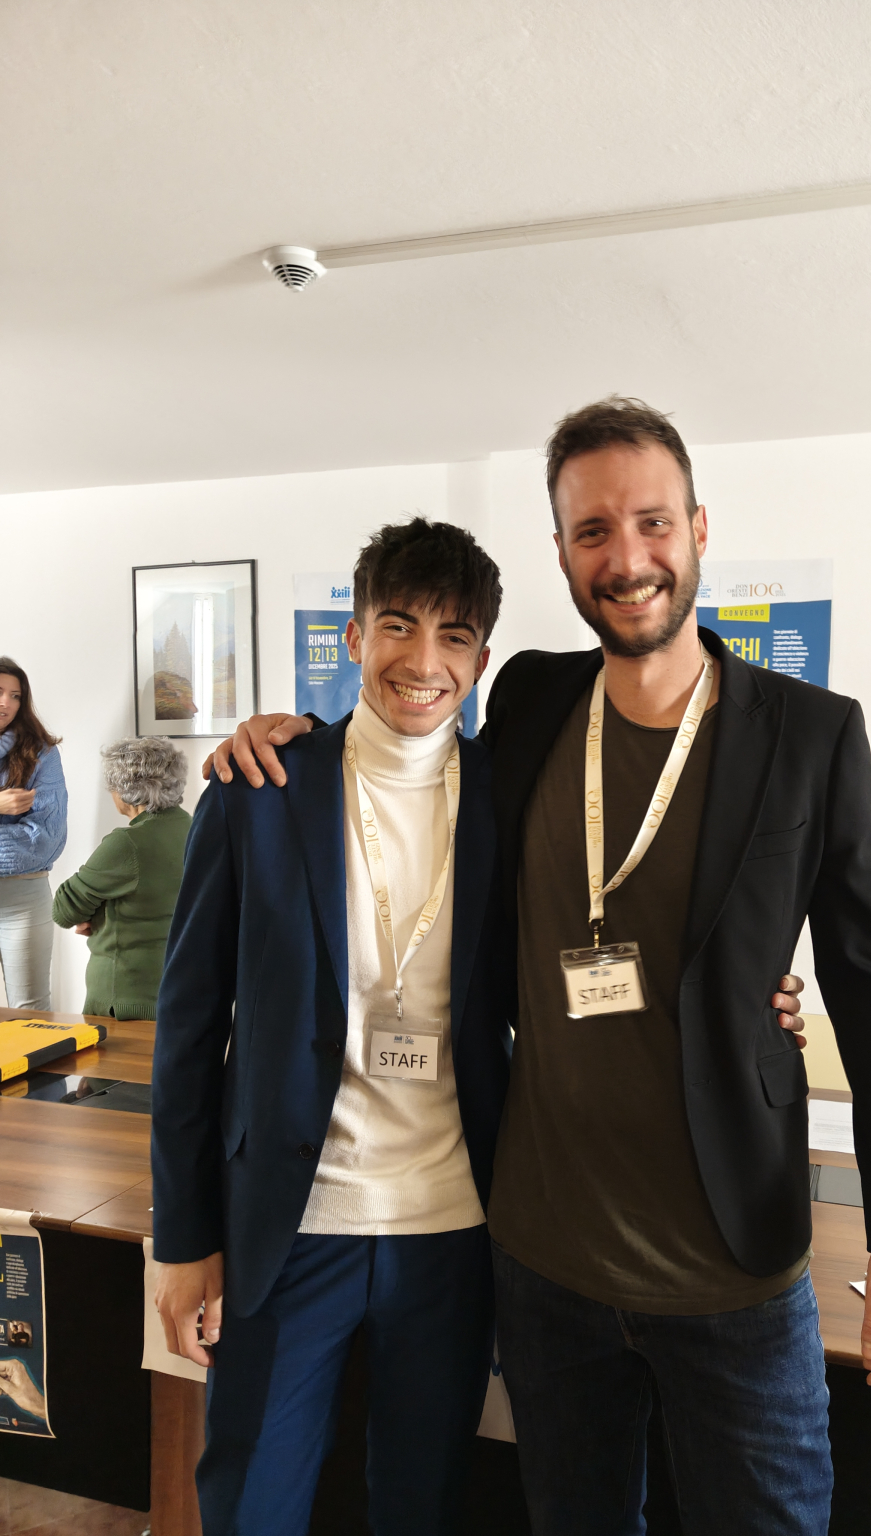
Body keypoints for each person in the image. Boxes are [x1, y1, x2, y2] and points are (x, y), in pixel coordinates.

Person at [217, 398, 871, 1536]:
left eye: (652, 522)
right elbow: (410, 757)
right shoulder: (532, 700)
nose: (628, 557)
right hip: (547, 1263)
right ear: (561, 553)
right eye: (593, 531)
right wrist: (288, 733)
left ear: (698, 528)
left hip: (735, 1267)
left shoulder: (811, 734)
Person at [151, 521, 514, 1536]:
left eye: (454, 636)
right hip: (288, 1225)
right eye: (398, 625)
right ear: (353, 636)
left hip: (452, 1230)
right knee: (250, 1505)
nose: (424, 661)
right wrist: (182, 1240)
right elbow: (188, 1025)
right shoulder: (260, 786)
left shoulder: (508, 797)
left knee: (420, 1505)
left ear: (482, 659)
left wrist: (756, 999)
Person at [52, 738, 191, 1020]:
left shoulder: (127, 844)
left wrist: (96, 915)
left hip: (126, 1001)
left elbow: (64, 911)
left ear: (125, 790)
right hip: (184, 994)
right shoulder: (195, 829)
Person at [0, 658, 67, 1011]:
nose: (6, 703)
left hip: (22, 898)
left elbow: (44, 839)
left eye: (16, 695)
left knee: (31, 1012)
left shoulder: (42, 753)